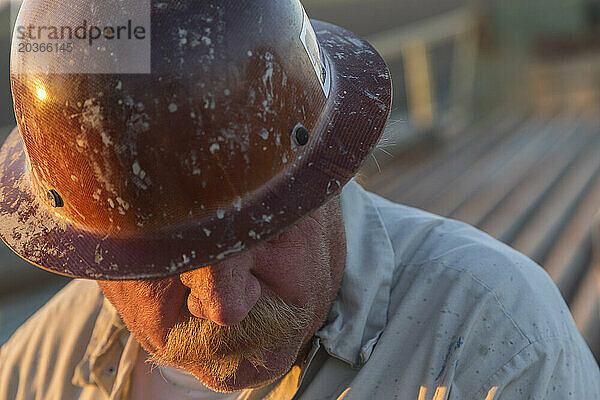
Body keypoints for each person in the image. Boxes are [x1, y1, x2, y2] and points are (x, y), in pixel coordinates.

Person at [1, 0, 599, 399]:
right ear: (91, 260)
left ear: (329, 177)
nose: (223, 307)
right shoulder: (39, 371)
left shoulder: (497, 347)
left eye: (261, 232)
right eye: (169, 264)